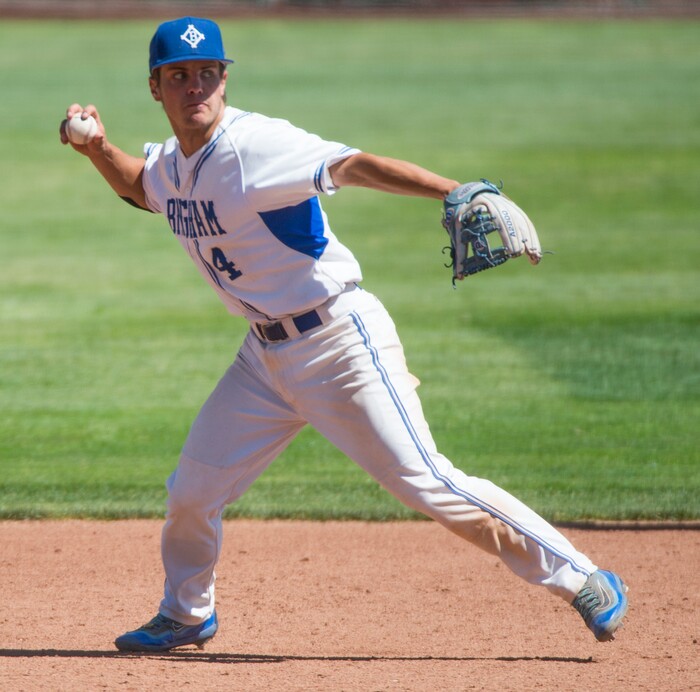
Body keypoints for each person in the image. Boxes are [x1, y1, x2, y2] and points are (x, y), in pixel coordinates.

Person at [60, 17, 628, 653]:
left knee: (428, 481)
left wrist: (453, 190)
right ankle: (187, 613)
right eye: (180, 77)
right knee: (193, 492)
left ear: (225, 79)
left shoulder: (256, 147)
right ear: (155, 88)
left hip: (340, 344)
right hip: (262, 359)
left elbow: (353, 165)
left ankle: (583, 577)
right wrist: (95, 150)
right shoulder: (175, 164)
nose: (197, 87)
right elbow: (144, 186)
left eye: (208, 74)